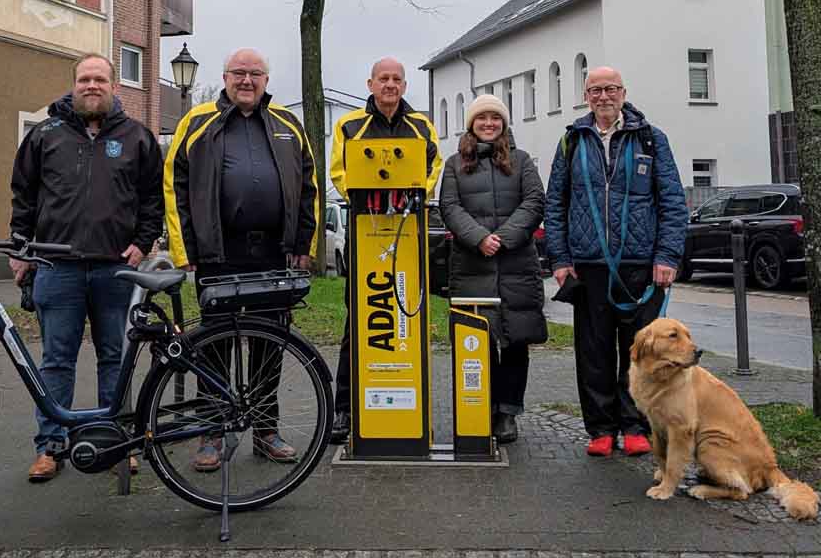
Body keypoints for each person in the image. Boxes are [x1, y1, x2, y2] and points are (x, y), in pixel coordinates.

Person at [163, 47, 319, 471]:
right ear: (225, 77)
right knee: (215, 344)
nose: (246, 81)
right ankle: (212, 433)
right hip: (219, 254)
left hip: (273, 252)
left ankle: (266, 431)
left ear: (267, 80)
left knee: (271, 342)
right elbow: (173, 184)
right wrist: (185, 250)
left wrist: (305, 245)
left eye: (255, 74)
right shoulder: (196, 123)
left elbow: (309, 185)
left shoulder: (289, 124)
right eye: (238, 73)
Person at [11, 53, 165, 482]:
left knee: (115, 357)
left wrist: (142, 242)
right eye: (84, 79)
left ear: (114, 87)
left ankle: (115, 442)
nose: (91, 85)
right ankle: (50, 446)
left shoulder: (137, 137)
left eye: (100, 79)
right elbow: (23, 196)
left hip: (116, 269)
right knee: (56, 360)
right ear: (73, 85)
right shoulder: (46, 135)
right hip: (56, 266)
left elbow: (153, 198)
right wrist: (21, 250)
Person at [544, 66, 687, 457]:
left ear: (623, 92)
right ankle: (601, 427)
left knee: (641, 352)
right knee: (593, 350)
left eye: (610, 89)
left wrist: (667, 255)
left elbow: (673, 201)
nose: (603, 96)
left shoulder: (651, 140)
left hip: (641, 265)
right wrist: (559, 258)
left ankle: (635, 425)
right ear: (586, 96)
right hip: (587, 265)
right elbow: (555, 203)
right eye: (595, 90)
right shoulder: (571, 142)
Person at [328, 57, 442, 444]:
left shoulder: (421, 125)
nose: (390, 85)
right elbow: (340, 172)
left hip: (408, 232)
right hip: (366, 231)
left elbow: (433, 167)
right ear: (370, 83)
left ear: (404, 86)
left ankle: (408, 408)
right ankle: (344, 408)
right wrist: (365, 195)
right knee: (358, 323)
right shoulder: (349, 125)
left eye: (396, 79)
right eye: (383, 79)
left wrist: (415, 196)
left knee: (406, 320)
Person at [438, 94, 547, 444]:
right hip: (472, 265)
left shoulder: (522, 160)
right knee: (477, 342)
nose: (489, 123)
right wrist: (480, 238)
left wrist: (502, 237)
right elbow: (449, 206)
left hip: (516, 265)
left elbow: (534, 202)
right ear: (471, 123)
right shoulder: (455, 164)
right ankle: (480, 408)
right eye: (482, 117)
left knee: (515, 343)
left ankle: (508, 413)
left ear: (504, 123)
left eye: (495, 117)